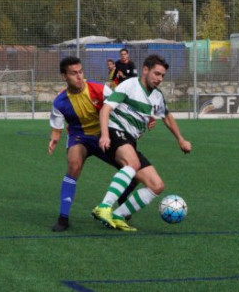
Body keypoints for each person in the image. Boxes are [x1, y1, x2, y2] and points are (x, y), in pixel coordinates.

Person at [91, 54, 192, 232]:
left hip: (130, 141)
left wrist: (181, 140)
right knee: (133, 163)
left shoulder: (157, 96)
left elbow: (167, 117)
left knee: (156, 185)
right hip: (115, 132)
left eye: (162, 75)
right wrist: (105, 135)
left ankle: (118, 215)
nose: (159, 79)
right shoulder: (130, 85)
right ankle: (104, 207)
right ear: (145, 70)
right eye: (156, 74)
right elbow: (106, 109)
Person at [48, 56, 138, 232]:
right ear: (64, 76)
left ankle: (121, 204)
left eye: (80, 72)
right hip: (79, 138)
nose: (79, 76)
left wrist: (143, 118)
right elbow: (57, 129)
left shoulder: (99, 89)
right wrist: (54, 139)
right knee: (73, 167)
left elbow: (120, 106)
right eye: (74, 73)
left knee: (134, 170)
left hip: (106, 135)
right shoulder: (59, 102)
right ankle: (63, 218)